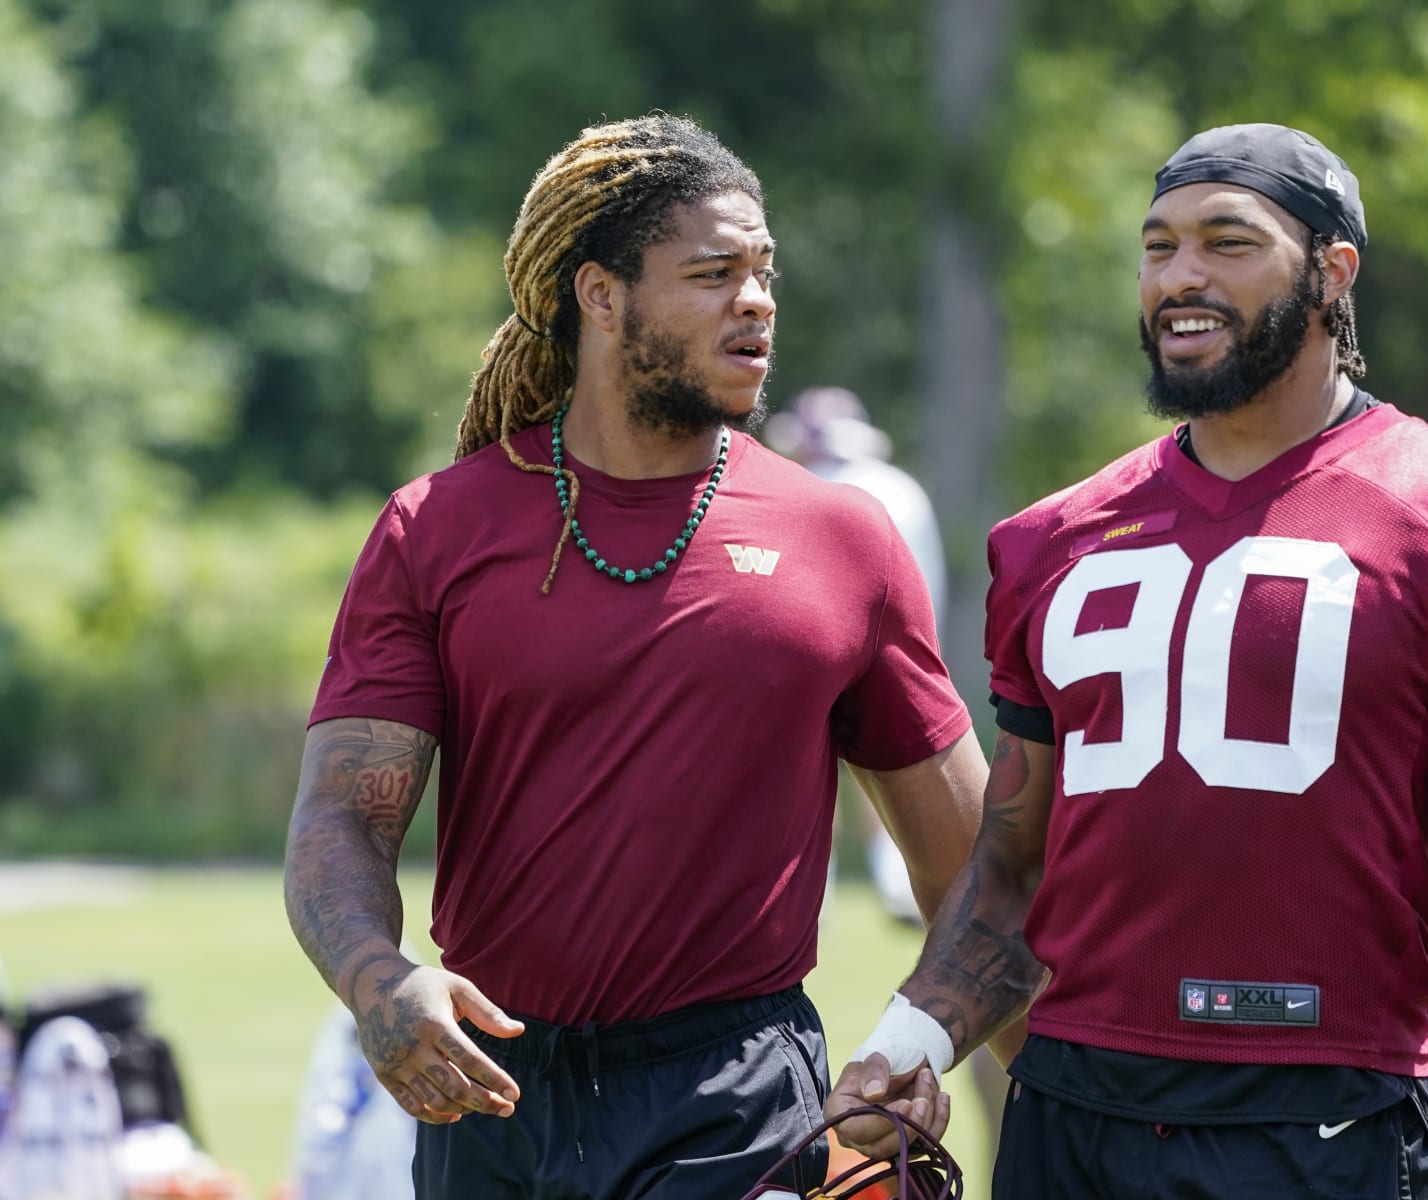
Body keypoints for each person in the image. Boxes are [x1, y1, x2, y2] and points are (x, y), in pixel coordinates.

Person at [827, 123, 1428, 1199]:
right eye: (1158, 247)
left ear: (1334, 271)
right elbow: (1012, 874)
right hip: (1072, 1121)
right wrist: (908, 1043)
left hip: (1323, 1121)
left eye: (1227, 241)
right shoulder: (1054, 541)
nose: (1180, 277)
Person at [282, 113, 986, 1200]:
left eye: (763, 272)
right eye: (713, 273)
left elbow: (975, 868)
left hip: (739, 1095)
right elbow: (342, 816)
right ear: (599, 295)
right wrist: (381, 984)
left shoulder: (843, 540)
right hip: (490, 1099)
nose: (756, 301)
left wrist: (941, 1056)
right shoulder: (437, 528)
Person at [766, 386, 949, 925]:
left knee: (803, 780)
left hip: (823, 652)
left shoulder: (822, 489)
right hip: (907, 654)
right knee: (894, 778)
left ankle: (809, 898)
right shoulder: (904, 488)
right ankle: (896, 886)